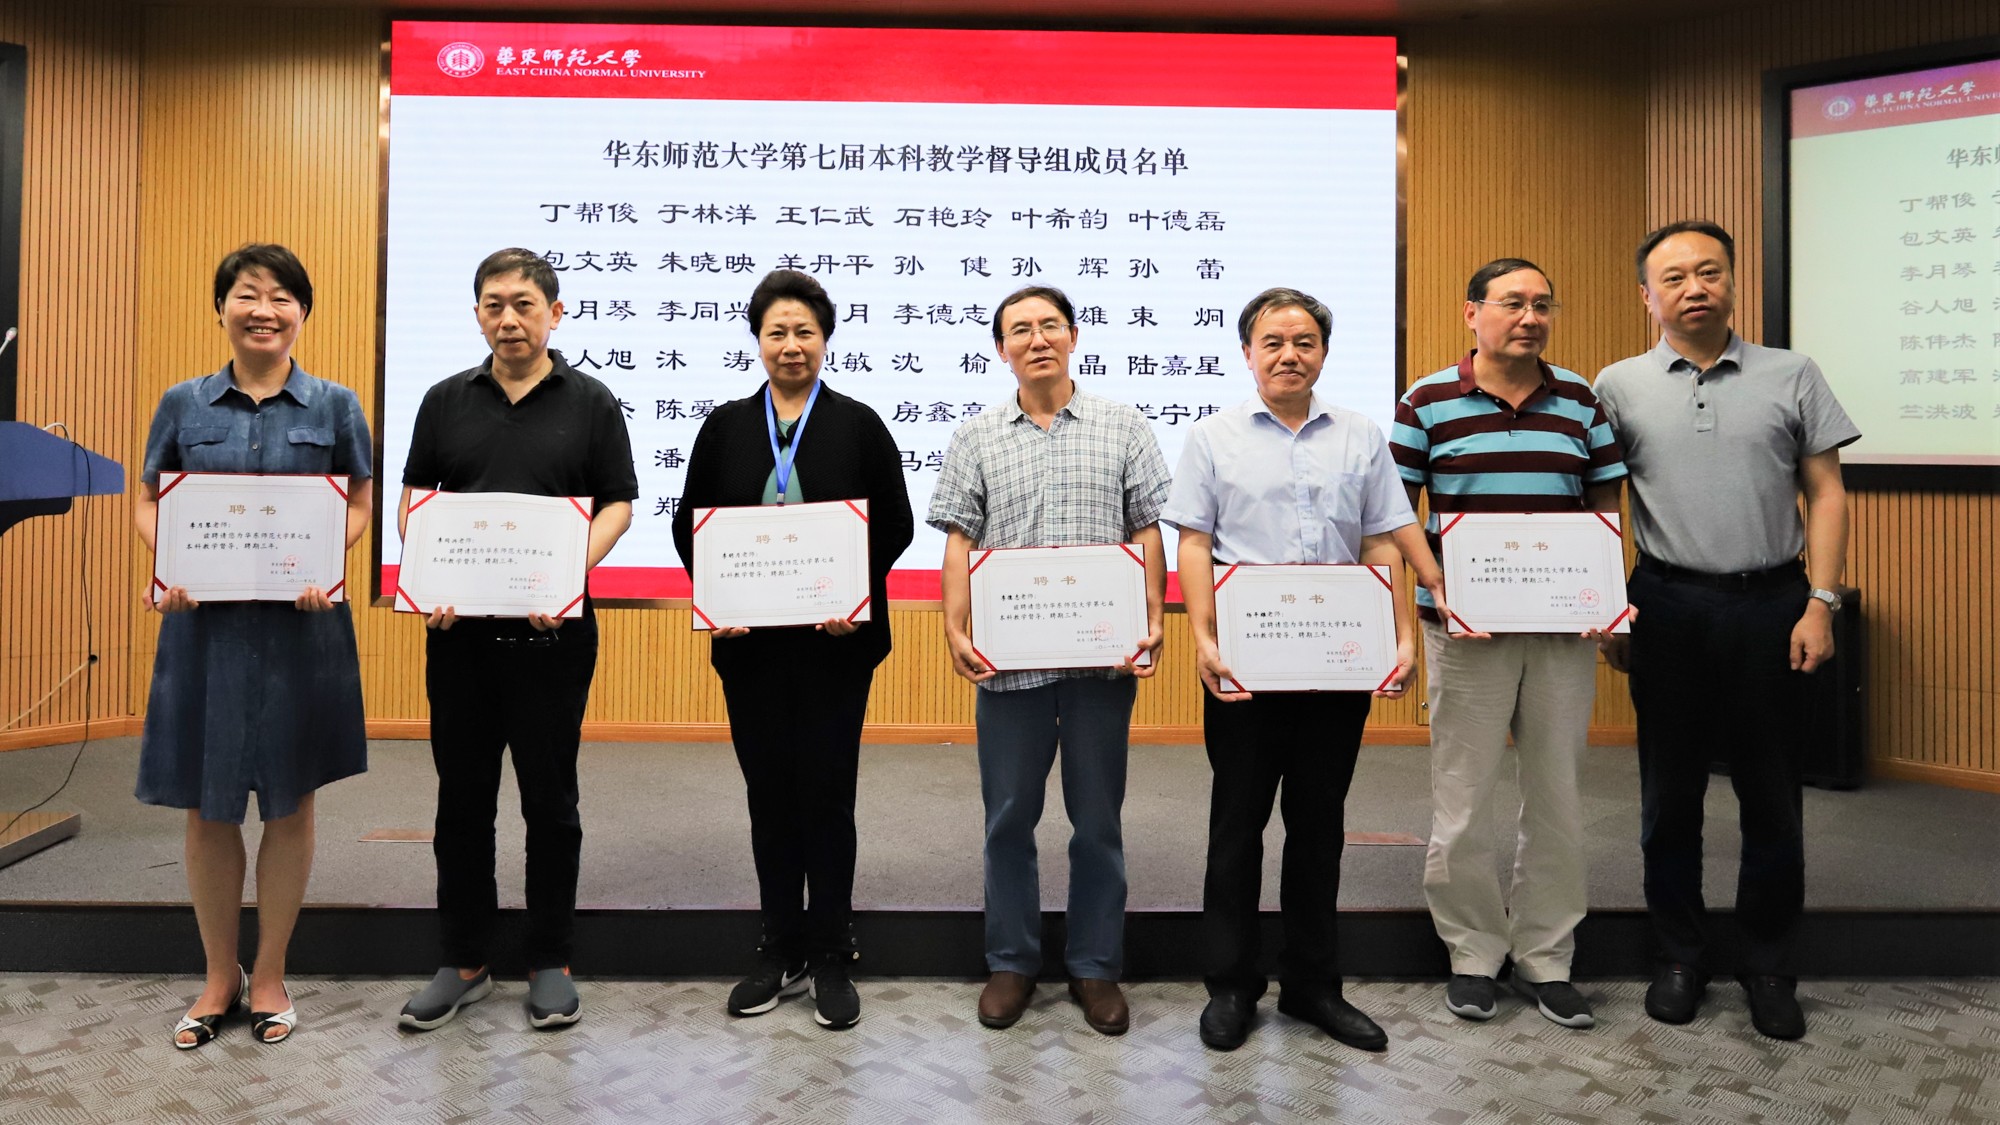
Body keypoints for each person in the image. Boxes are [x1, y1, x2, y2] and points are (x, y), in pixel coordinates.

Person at [1595, 221, 1858, 1042]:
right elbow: (1602, 502)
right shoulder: (1618, 384)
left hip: (1771, 603)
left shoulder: (1792, 372)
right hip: (1665, 603)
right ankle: (1679, 956)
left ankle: (1769, 964)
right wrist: (1610, 603)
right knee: (1668, 794)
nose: (1694, 288)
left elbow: (1827, 492)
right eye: (1673, 277)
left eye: (1709, 272)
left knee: (1772, 795)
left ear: (1733, 282)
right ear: (1647, 296)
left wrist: (1822, 601)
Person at [1165, 287, 1442, 1054]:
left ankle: (1313, 983)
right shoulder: (1212, 436)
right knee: (1237, 825)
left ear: (1323, 351)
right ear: (1247, 352)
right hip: (1246, 662)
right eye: (1273, 341)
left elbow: (1382, 538)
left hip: (1336, 660)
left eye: (1304, 341)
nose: (1289, 354)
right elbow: (1195, 542)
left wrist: (1401, 635)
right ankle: (1231, 984)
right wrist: (1203, 638)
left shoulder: (1359, 435)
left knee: (1320, 827)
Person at [136, 243, 373, 1049]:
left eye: (281, 296)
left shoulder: (335, 405)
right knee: (208, 807)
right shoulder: (183, 403)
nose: (263, 309)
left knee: (290, 800)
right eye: (246, 293)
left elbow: (359, 496)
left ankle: (269, 973)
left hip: (302, 627)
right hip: (204, 629)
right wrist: (169, 561)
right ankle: (218, 976)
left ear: (302, 312)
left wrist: (326, 557)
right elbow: (149, 497)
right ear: (221, 308)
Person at [396, 248, 637, 1032]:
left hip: (552, 637)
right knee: (461, 801)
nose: (509, 319)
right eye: (494, 304)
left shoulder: (592, 401)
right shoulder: (444, 400)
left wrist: (567, 572)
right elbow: (416, 499)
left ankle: (549, 960)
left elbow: (618, 504)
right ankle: (463, 958)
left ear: (555, 314)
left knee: (550, 801)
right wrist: (426, 575)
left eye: (525, 304)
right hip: (458, 637)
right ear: (477, 315)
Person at [671, 270, 914, 1030]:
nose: (791, 345)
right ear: (757, 340)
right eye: (777, 331)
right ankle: (779, 945)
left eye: (805, 331)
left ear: (825, 340)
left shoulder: (859, 424)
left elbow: (896, 523)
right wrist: (718, 596)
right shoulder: (723, 427)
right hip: (751, 648)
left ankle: (833, 948)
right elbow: (690, 523)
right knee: (769, 796)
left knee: (828, 795)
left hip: (834, 648)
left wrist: (855, 594)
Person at [928, 285, 1170, 1036]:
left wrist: (1153, 617)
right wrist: (955, 626)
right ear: (1001, 349)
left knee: (1097, 820)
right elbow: (960, 538)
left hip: (1101, 664)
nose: (1037, 339)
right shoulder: (975, 436)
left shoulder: (1124, 425)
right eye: (1021, 330)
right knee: (1008, 818)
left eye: (1051, 326)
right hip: (1011, 665)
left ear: (1073, 337)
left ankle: (1096, 966)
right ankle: (1012, 961)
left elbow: (1147, 528)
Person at [1391, 259, 1626, 1030]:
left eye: (1542, 304)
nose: (1530, 317)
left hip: (1560, 631)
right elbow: (1394, 511)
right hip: (1466, 631)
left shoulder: (1581, 400)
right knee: (1463, 797)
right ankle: (1472, 950)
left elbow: (1604, 498)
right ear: (1473, 313)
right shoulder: (1426, 400)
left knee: (1558, 794)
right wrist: (1435, 585)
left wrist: (1604, 590)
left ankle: (1547, 955)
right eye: (1513, 302)